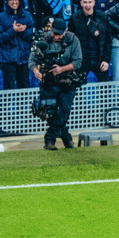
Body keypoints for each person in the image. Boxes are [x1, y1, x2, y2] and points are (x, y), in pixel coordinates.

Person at [30, 18, 83, 150]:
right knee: (52, 114)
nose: (57, 37)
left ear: (65, 31)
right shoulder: (43, 41)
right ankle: (64, 138)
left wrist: (61, 69)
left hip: (67, 81)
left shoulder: (73, 40)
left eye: (59, 34)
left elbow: (78, 61)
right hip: (49, 82)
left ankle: (50, 137)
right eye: (55, 34)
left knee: (64, 110)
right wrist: (36, 70)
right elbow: (31, 59)